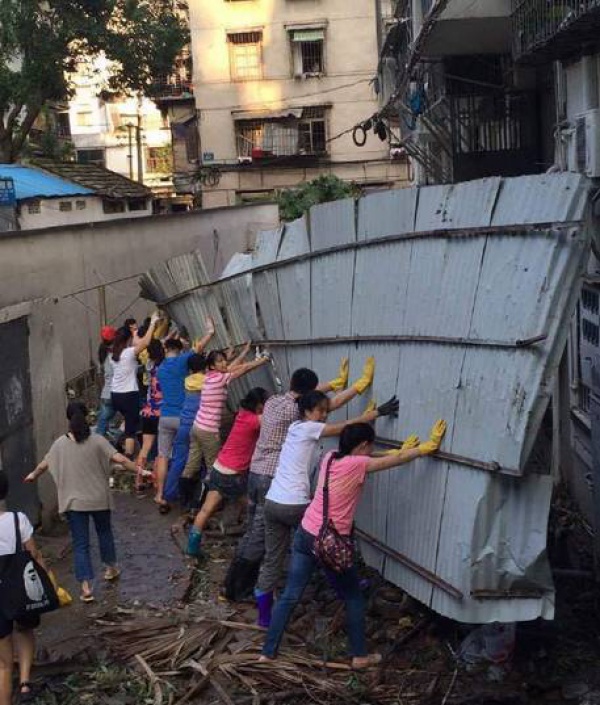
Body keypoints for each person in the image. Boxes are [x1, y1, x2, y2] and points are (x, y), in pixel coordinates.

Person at [260, 419, 447, 667]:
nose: (371, 450)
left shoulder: (330, 457)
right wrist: (424, 448)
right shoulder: (358, 464)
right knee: (353, 596)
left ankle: (267, 652)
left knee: (289, 596)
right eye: (369, 446)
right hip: (330, 542)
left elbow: (373, 458)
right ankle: (359, 655)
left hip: (305, 533)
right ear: (362, 445)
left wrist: (397, 449)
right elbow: (390, 462)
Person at [223, 358, 375, 601]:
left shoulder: (274, 401)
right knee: (286, 534)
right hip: (273, 480)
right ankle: (238, 587)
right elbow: (329, 408)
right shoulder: (298, 417)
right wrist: (358, 388)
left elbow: (316, 401)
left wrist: (333, 384)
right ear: (308, 400)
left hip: (255, 472)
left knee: (255, 530)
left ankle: (246, 583)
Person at [254, 390, 399, 627]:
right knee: (325, 542)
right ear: (306, 411)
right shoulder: (308, 427)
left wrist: (355, 393)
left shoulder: (294, 428)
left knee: (273, 559)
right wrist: (377, 413)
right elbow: (343, 427)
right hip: (294, 504)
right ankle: (346, 588)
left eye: (325, 410)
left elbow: (335, 411)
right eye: (319, 411)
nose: (323, 415)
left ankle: (263, 617)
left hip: (273, 502)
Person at [24, 402, 137, 603]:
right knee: (104, 533)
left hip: (74, 503)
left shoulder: (59, 443)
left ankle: (86, 588)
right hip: (99, 499)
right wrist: (140, 470)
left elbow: (45, 463)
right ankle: (110, 568)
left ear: (69, 419)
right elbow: (119, 458)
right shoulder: (97, 440)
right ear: (86, 417)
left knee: (81, 544)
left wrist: (33, 475)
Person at [187, 387, 270, 557]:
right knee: (253, 505)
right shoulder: (254, 421)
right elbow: (276, 418)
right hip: (233, 473)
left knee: (206, 509)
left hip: (219, 468)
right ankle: (259, 541)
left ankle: (192, 546)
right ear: (260, 405)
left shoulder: (242, 415)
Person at [179, 346, 270, 488]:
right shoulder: (221, 379)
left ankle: (186, 500)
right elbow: (243, 369)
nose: (223, 363)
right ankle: (210, 499)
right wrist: (263, 360)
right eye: (219, 361)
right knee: (213, 469)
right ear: (211, 365)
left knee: (191, 464)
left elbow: (233, 367)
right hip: (208, 430)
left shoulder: (209, 376)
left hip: (197, 426)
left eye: (223, 360)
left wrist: (245, 354)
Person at [154, 318, 216, 513]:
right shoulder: (182, 361)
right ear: (180, 350)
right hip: (181, 417)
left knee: (164, 456)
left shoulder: (160, 367)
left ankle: (161, 493)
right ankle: (180, 495)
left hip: (164, 418)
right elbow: (198, 349)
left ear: (166, 350)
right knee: (183, 458)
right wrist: (210, 332)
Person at [0, 472, 48, 705]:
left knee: (3, 662)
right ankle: (25, 682)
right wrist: (47, 580)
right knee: (25, 630)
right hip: (21, 588)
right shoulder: (18, 520)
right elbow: (34, 553)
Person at [110, 314, 159, 458]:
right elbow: (146, 342)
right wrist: (153, 323)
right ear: (128, 339)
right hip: (128, 394)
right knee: (131, 427)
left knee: (130, 420)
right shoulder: (129, 353)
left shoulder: (114, 355)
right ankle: (128, 456)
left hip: (115, 394)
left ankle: (122, 445)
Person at [163, 353, 207, 506]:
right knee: (203, 462)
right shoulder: (207, 381)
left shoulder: (188, 380)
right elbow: (229, 373)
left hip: (183, 424)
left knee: (178, 461)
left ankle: (169, 494)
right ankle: (197, 500)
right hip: (198, 426)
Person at [137, 338, 165, 491]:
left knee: (145, 448)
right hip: (162, 412)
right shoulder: (166, 367)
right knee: (161, 450)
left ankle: (139, 479)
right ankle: (156, 481)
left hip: (148, 411)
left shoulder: (149, 365)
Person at [96, 326, 117, 437]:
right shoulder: (115, 355)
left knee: (103, 422)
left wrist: (102, 391)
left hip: (106, 393)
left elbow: (99, 375)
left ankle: (99, 441)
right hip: (117, 392)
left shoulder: (101, 354)